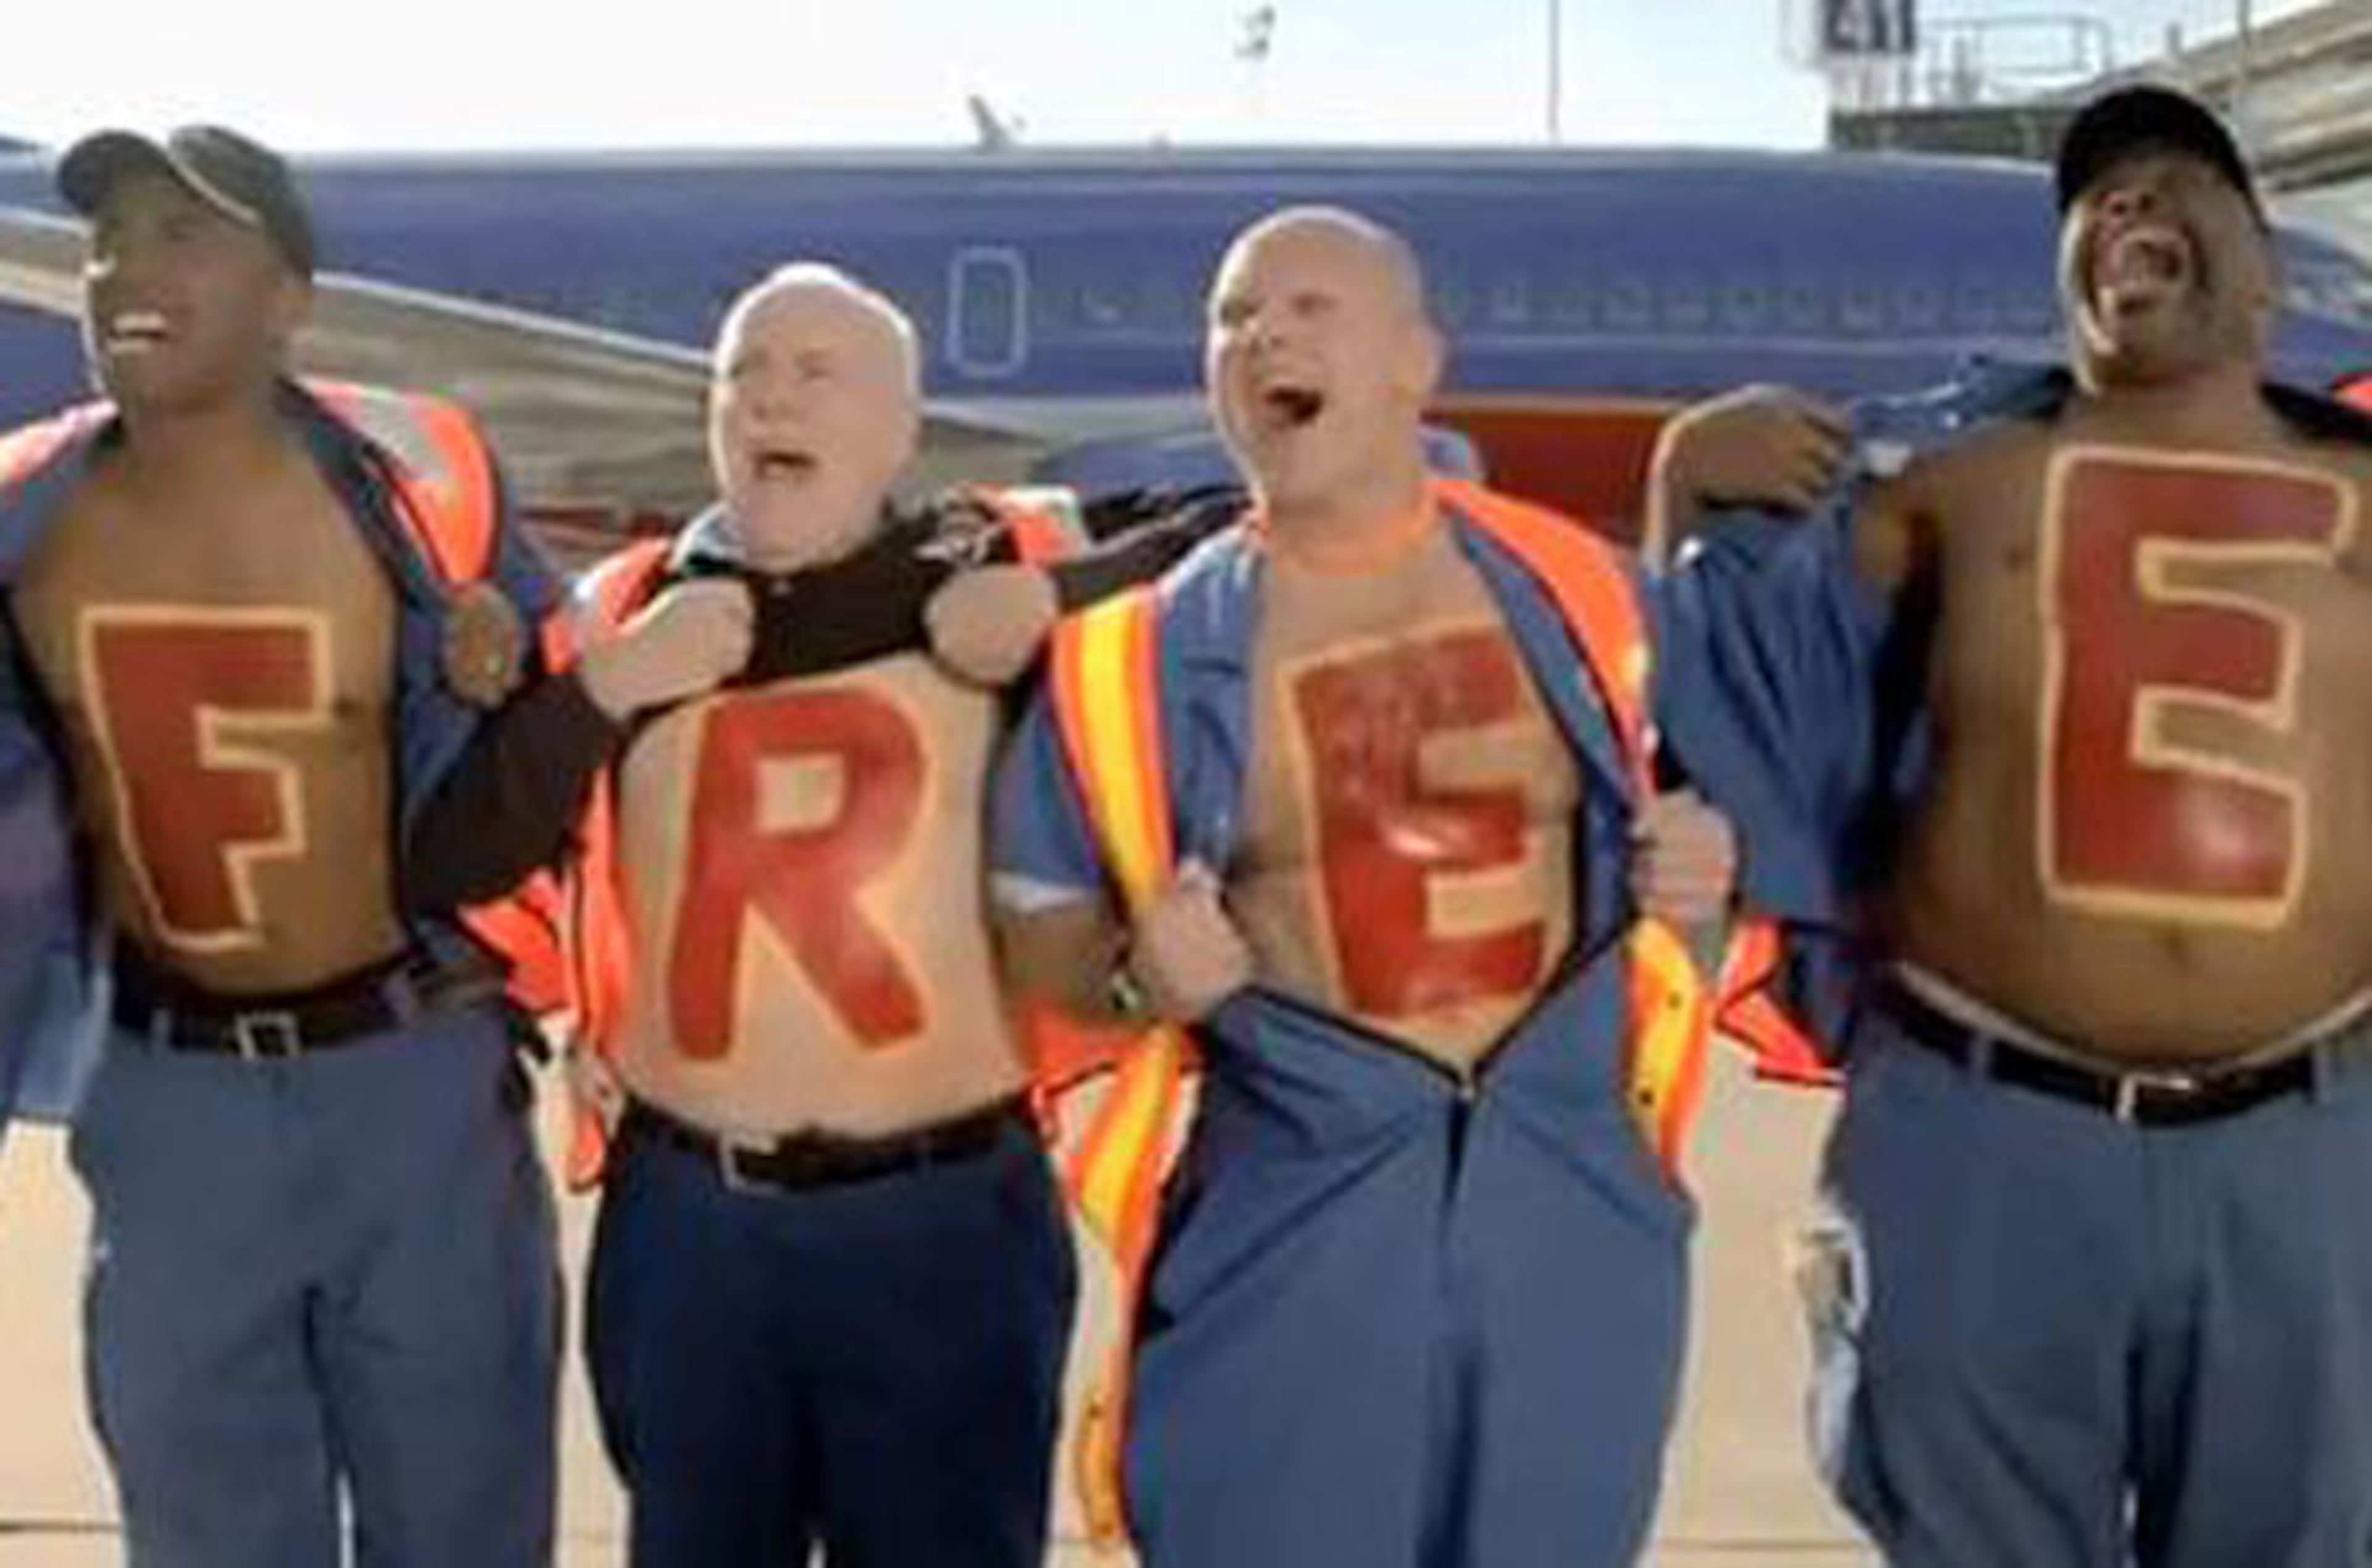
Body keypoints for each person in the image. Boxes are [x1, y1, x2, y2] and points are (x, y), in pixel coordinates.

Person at [404, 260, 1233, 1568]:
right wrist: (608, 688)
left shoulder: (996, 557)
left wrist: (1058, 600)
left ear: (902, 427)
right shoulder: (629, 608)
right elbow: (457, 850)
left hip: (943, 1220)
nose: (771, 396)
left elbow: (1244, 520)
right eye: (746, 372)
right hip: (689, 1226)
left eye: (816, 371)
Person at [1655, 84, 2372, 1567]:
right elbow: (1722, 690)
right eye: (2094, 204)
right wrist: (1680, 488)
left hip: (2311, 1151)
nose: (2124, 210)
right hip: (1983, 1137)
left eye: (2172, 183)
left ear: (2268, 273)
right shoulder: (1941, 484)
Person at [991, 206, 1738, 1568]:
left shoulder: (1589, 598)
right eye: (1233, 318)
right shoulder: (1129, 661)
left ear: (1416, 361)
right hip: (1292, 1210)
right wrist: (1135, 977)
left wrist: (1700, 890)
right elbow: (1032, 925)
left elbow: (1717, 852)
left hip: (1571, 1207)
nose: (1261, 335)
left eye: (1308, 307)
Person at [0, 125, 560, 1566]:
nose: (126, 268)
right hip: (169, 1106)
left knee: (459, 1528)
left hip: (416, 1090)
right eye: (110, 237)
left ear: (287, 297)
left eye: (185, 235)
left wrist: (506, 664)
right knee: (206, 1537)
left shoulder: (427, 477)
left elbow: (577, 738)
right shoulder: (21, 515)